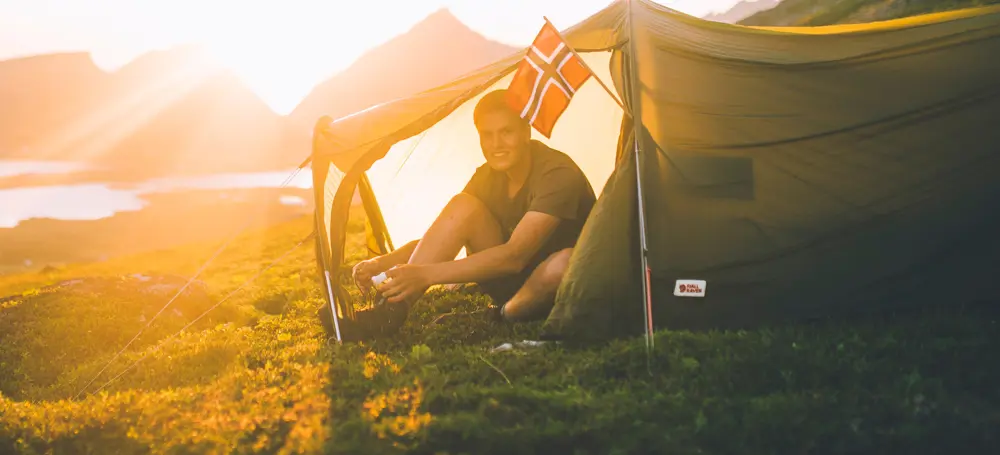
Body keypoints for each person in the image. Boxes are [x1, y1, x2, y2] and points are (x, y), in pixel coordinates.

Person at [333, 89, 597, 341]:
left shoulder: (557, 174)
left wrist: (426, 274)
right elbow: (445, 237)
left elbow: (515, 257)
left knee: (564, 262)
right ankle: (389, 311)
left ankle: (503, 315)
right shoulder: (487, 175)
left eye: (506, 132)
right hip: (511, 280)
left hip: (559, 289)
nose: (496, 144)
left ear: (526, 132)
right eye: (487, 135)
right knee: (463, 205)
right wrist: (383, 262)